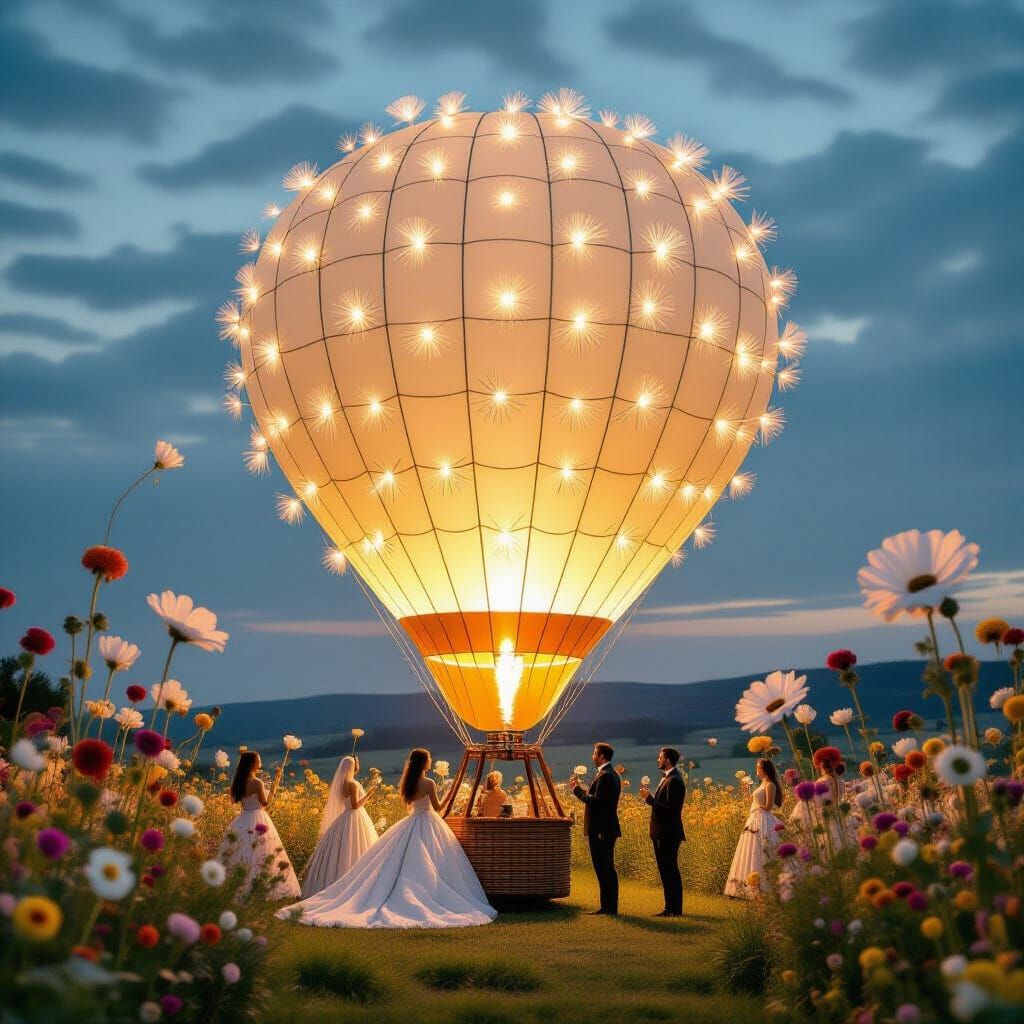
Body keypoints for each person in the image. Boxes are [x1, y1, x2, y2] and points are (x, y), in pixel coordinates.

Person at [276, 748, 496, 929]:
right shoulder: (429, 783)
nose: (431, 762)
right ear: (425, 763)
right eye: (429, 759)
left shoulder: (407, 783)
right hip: (428, 821)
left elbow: (410, 806)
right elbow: (437, 809)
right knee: (433, 862)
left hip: (412, 821)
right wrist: (450, 795)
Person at [219, 751, 301, 900]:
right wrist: (276, 782)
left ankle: (238, 885)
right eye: (258, 760)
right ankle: (260, 886)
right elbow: (265, 803)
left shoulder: (239, 782)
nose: (260, 762)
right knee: (263, 852)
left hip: (243, 819)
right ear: (253, 764)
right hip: (258, 818)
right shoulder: (257, 783)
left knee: (243, 851)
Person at [300, 755, 379, 897]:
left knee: (342, 849)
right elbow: (355, 806)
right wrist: (369, 794)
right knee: (357, 848)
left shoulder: (343, 783)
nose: (359, 764)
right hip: (355, 817)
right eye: (357, 762)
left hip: (345, 818)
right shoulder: (352, 784)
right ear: (352, 766)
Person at [568, 742, 621, 915]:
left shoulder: (605, 775)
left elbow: (597, 801)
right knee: (605, 867)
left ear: (602, 756)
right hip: (605, 827)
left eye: (594, 753)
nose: (592, 756)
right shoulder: (610, 774)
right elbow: (599, 797)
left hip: (601, 829)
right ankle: (607, 906)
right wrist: (582, 788)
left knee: (604, 867)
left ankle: (609, 907)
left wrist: (577, 791)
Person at [724, 758, 783, 898]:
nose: (757, 769)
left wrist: (757, 806)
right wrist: (747, 793)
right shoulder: (763, 783)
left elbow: (768, 807)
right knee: (750, 851)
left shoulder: (770, 785)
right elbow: (755, 800)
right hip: (755, 818)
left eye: (758, 767)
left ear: (764, 769)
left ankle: (764, 888)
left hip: (763, 819)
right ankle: (746, 887)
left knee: (761, 851)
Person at [638, 747, 685, 917]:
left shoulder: (675, 781)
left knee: (670, 869)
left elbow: (672, 810)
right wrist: (650, 799)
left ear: (668, 760)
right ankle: (669, 907)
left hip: (669, 833)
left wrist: (650, 799)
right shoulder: (667, 779)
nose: (658, 760)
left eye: (660, 757)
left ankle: (675, 908)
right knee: (665, 870)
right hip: (661, 832)